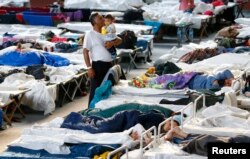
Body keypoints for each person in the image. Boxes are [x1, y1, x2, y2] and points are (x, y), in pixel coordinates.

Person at [83, 13, 122, 107]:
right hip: (98, 66)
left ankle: (102, 111)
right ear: (94, 22)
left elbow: (120, 40)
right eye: (100, 18)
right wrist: (89, 67)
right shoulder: (90, 34)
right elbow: (85, 52)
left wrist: (112, 43)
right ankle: (91, 111)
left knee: (107, 89)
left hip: (109, 65)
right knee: (96, 90)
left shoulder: (106, 33)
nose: (103, 19)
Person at [61, 110, 181, 134]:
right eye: (171, 124)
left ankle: (83, 118)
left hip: (125, 127)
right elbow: (140, 119)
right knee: (104, 128)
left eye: (172, 128)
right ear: (169, 120)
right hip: (125, 118)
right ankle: (73, 120)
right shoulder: (159, 117)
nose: (169, 128)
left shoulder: (160, 132)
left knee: (102, 125)